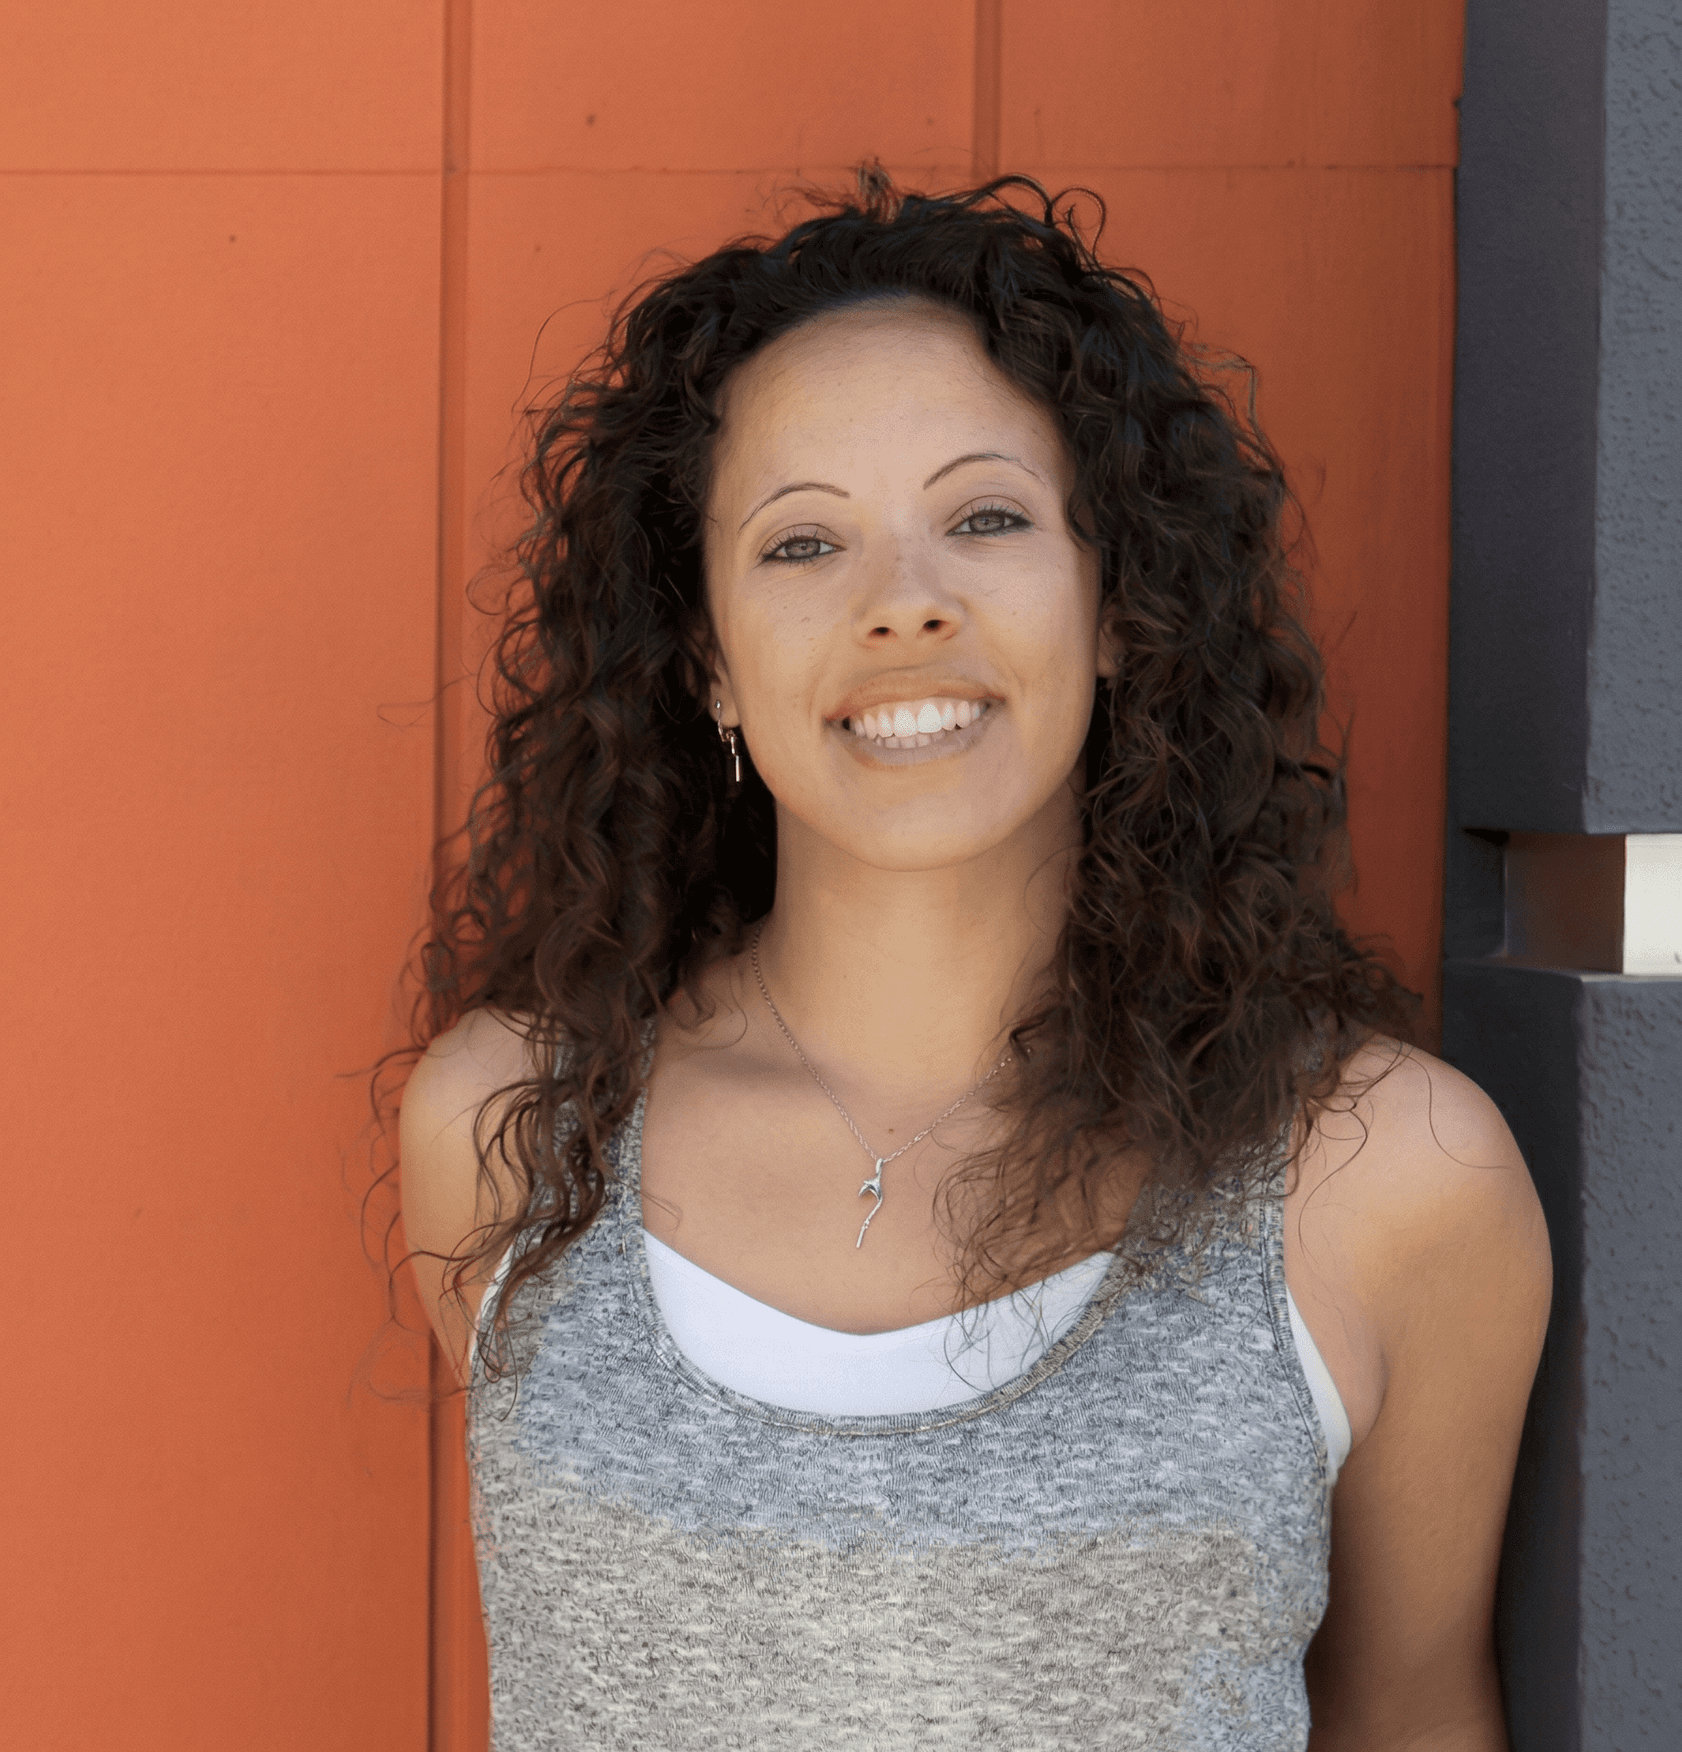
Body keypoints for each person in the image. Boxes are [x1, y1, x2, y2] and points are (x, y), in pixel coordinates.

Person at [398, 171, 1549, 1750]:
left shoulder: (1383, 1176)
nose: (902, 608)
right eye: (803, 544)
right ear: (710, 668)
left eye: (986, 518)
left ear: (1116, 611)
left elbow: (1411, 1712)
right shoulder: (519, 1131)